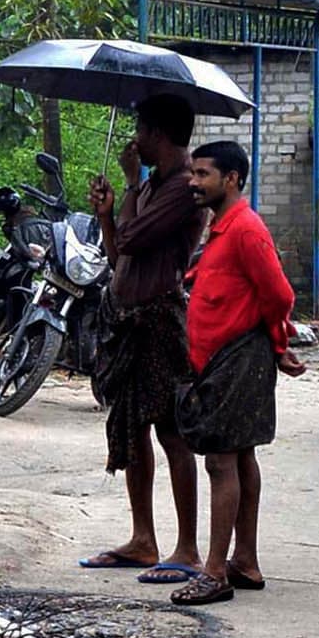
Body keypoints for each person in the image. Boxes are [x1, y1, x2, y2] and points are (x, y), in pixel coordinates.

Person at [171, 138, 304, 607]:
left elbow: (279, 294)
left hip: (238, 356)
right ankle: (244, 561)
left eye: (202, 174)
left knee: (220, 460)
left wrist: (278, 342)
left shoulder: (246, 230)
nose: (193, 181)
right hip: (221, 356)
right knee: (242, 456)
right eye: (192, 172)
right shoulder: (220, 228)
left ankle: (214, 572)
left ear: (231, 179)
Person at [78, 95, 204, 583]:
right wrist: (110, 211)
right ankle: (143, 539)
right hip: (126, 316)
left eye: (141, 131)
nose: (134, 140)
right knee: (132, 429)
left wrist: (129, 187)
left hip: (158, 319)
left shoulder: (181, 187)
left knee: (171, 430)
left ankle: (187, 548)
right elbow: (116, 253)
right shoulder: (151, 186)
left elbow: (133, 240)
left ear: (159, 134)